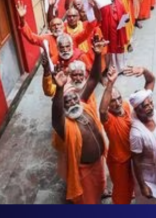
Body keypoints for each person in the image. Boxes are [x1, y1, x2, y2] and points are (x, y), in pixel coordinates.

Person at [50, 40, 108, 204]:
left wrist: (97, 55)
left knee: (100, 187)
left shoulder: (83, 103)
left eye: (74, 98)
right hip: (84, 170)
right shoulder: (64, 125)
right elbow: (55, 117)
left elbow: (94, 78)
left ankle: (102, 192)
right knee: (88, 200)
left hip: (98, 163)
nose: (72, 102)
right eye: (67, 102)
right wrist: (60, 89)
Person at [100, 65, 156, 204]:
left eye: (118, 98)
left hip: (135, 157)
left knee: (135, 186)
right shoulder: (109, 119)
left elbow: (150, 83)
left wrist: (144, 70)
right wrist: (110, 83)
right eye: (112, 101)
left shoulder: (126, 105)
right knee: (122, 193)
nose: (117, 103)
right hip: (120, 162)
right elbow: (101, 111)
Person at [129, 75, 156, 204]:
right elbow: (136, 160)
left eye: (151, 103)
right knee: (147, 202)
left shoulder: (153, 114)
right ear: (137, 109)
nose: (150, 107)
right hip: (147, 174)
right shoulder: (136, 133)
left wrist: (144, 71)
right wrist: (142, 186)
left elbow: (152, 80)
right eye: (145, 106)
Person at [97, 0, 129, 72]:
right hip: (108, 32)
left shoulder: (119, 2)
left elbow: (125, 15)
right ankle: (112, 68)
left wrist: (125, 20)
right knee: (110, 49)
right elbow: (99, 18)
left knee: (118, 48)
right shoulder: (102, 4)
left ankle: (120, 67)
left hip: (119, 31)